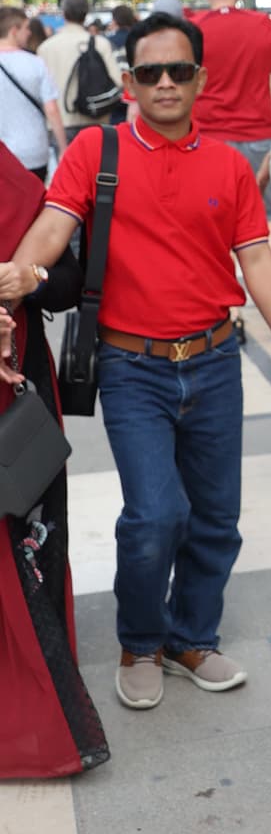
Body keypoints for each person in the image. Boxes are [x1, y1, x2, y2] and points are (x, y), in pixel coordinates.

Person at [0, 12, 271, 710]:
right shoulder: (96, 150)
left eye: (179, 71)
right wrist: (18, 278)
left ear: (200, 79)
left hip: (213, 361)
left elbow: (256, 255)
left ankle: (190, 636)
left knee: (216, 516)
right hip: (130, 365)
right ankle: (140, 640)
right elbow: (55, 222)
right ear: (129, 80)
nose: (165, 83)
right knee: (153, 515)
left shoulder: (229, 165)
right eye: (150, 72)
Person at [0, 141, 110, 779]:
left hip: (14, 385)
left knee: (30, 534)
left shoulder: (11, 178)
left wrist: (26, 279)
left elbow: (66, 281)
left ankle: (38, 675)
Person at [189, 0, 271, 267]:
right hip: (259, 136)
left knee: (213, 222)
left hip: (207, 139)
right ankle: (270, 290)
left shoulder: (193, 31)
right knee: (269, 217)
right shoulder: (264, 25)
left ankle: (225, 301)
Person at [38, 0, 124, 140]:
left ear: (63, 13)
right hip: (97, 118)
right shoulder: (100, 43)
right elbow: (118, 81)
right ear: (86, 14)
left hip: (60, 122)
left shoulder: (45, 47)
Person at [0, 6, 66, 181]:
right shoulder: (35, 63)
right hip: (33, 151)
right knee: (32, 204)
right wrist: (62, 147)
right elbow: (52, 110)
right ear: (14, 31)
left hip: (3, 153)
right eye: (26, 27)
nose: (29, 33)